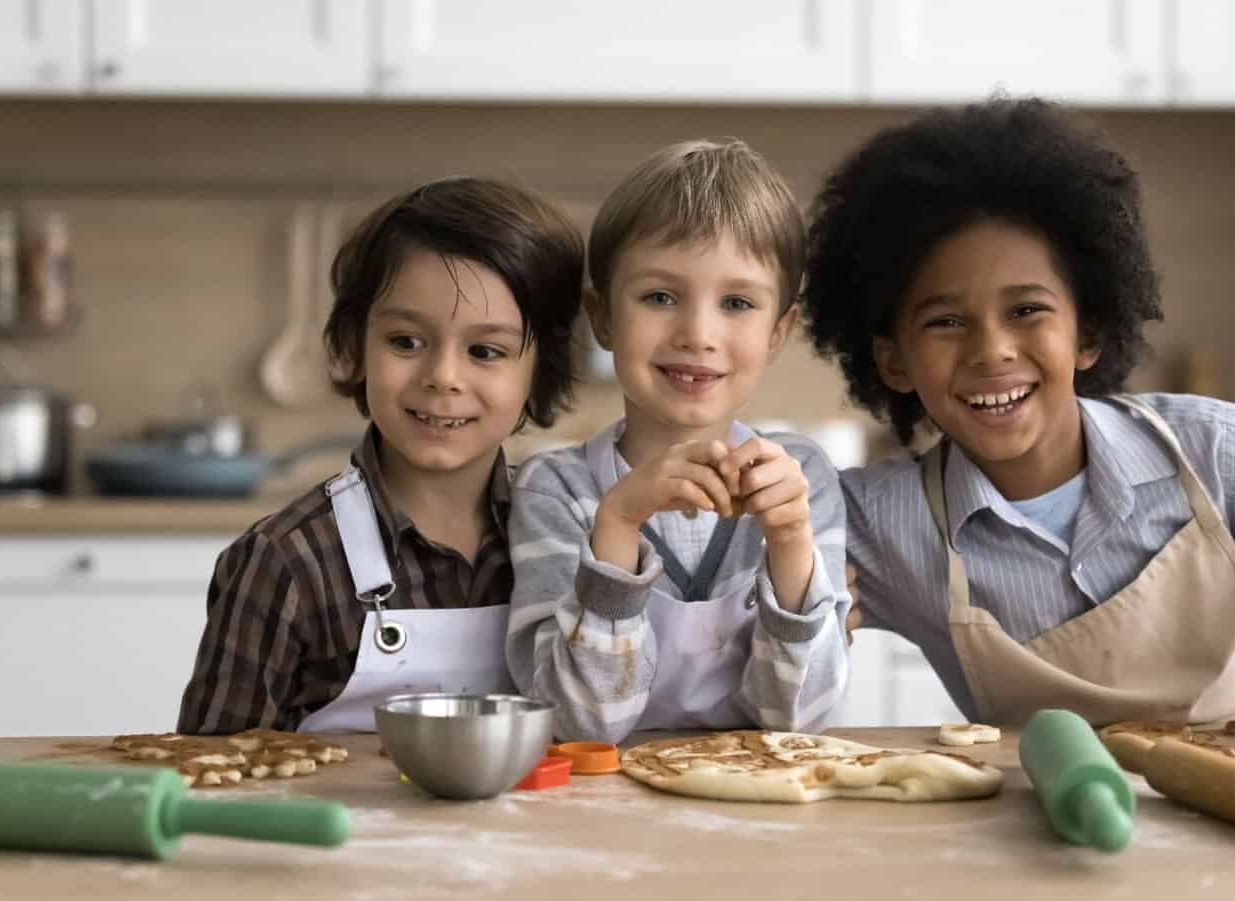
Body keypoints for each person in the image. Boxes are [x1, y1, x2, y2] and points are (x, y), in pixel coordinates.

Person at [803, 98, 1235, 729]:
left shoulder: (1206, 450)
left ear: (1089, 331)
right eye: (946, 321)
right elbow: (728, 566)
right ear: (892, 361)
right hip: (1045, 831)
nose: (992, 351)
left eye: (1027, 310)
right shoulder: (880, 522)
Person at [178, 177, 584, 733]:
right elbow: (212, 781)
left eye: (485, 351)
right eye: (406, 342)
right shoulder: (285, 562)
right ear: (353, 345)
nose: (443, 377)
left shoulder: (567, 538)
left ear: (542, 372)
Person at [506, 140, 852, 743]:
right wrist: (616, 523)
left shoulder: (803, 477)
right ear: (604, 317)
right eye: (660, 297)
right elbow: (579, 724)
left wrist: (792, 542)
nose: (698, 334)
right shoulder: (555, 489)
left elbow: (801, 722)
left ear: (780, 330)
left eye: (737, 303)